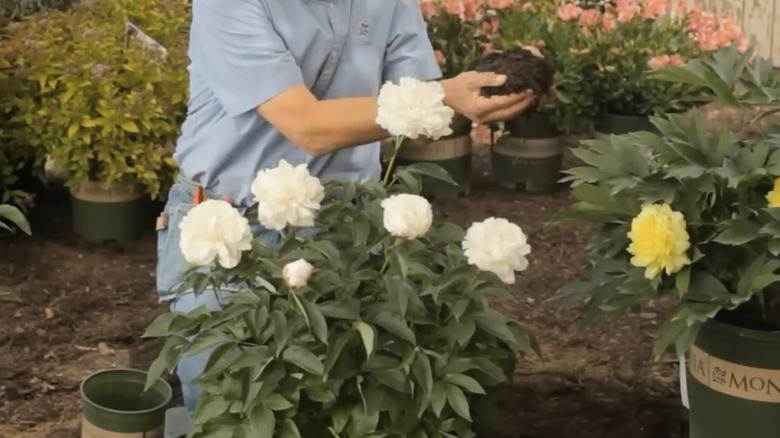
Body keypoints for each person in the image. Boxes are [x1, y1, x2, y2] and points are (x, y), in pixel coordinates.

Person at [156, 0, 542, 413]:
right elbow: (307, 125)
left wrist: (492, 81)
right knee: (232, 413)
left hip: (346, 232)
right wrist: (445, 94)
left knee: (338, 410)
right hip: (228, 231)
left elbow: (421, 116)